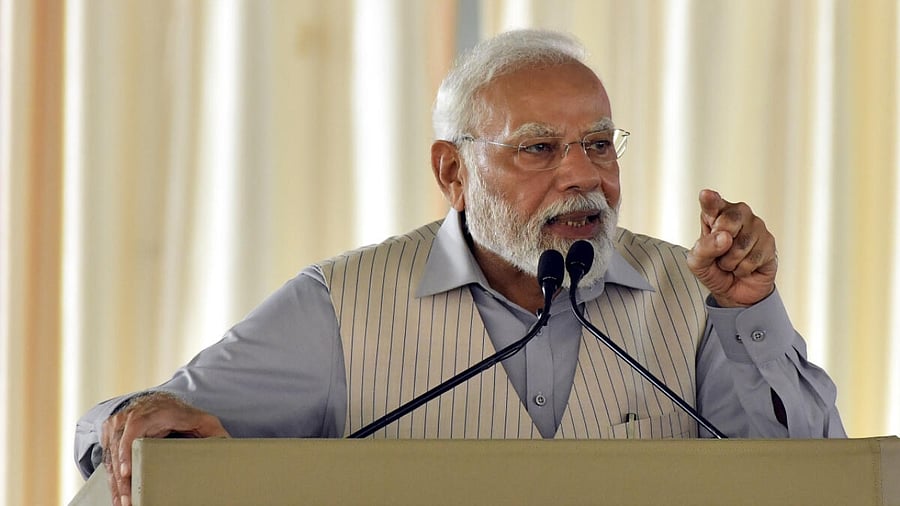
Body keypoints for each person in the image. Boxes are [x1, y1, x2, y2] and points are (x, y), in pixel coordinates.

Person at [75, 29, 845, 506]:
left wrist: (749, 313)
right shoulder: (340, 307)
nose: (584, 175)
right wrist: (134, 426)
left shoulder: (696, 294)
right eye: (540, 147)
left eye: (601, 144)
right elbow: (135, 442)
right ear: (453, 172)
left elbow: (819, 484)